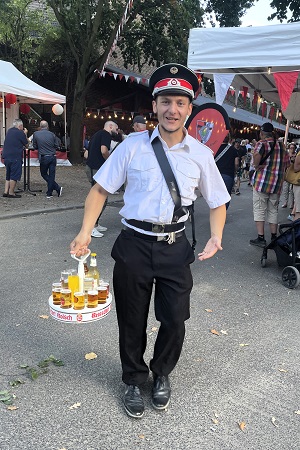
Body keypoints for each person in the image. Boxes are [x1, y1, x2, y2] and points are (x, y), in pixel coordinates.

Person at [70, 63, 230, 419]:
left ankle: (160, 374)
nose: (172, 109)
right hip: (134, 243)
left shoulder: (201, 155)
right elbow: (99, 190)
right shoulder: (131, 146)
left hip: (174, 246)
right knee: (131, 318)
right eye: (165, 101)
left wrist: (216, 235)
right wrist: (85, 231)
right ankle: (132, 378)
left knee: (174, 318)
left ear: (190, 108)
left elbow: (218, 201)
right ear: (155, 105)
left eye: (180, 102)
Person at [250, 122, 289, 247]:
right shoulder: (282, 145)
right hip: (276, 183)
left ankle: (261, 238)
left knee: (260, 208)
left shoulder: (261, 144)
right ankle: (274, 237)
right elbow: (287, 163)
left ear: (262, 133)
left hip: (261, 182)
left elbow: (255, 159)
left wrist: (256, 165)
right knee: (273, 210)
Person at [85, 120, 119, 237]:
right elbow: (104, 150)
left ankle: (95, 223)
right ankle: (91, 227)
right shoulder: (106, 135)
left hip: (90, 167)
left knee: (98, 197)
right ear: (110, 126)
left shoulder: (96, 134)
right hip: (98, 169)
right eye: (116, 128)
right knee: (100, 199)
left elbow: (86, 153)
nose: (117, 131)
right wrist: (111, 162)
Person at [33, 120, 62, 199]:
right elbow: (56, 145)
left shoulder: (36, 134)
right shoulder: (52, 134)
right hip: (52, 156)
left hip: (44, 156)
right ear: (47, 126)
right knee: (52, 175)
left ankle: (56, 188)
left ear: (40, 126)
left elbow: (34, 146)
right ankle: (50, 192)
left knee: (44, 173)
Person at [2, 118, 28, 198]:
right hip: (15, 156)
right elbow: (26, 144)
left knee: (8, 174)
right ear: (20, 126)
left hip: (6, 156)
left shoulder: (9, 131)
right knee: (14, 174)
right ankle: (11, 192)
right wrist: (25, 133)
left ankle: (6, 191)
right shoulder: (20, 132)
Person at [214, 134, 239, 209]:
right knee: (226, 195)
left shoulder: (215, 148)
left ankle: (216, 212)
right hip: (228, 175)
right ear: (229, 139)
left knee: (216, 195)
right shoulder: (233, 150)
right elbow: (236, 163)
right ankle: (223, 212)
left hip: (216, 175)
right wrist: (236, 170)